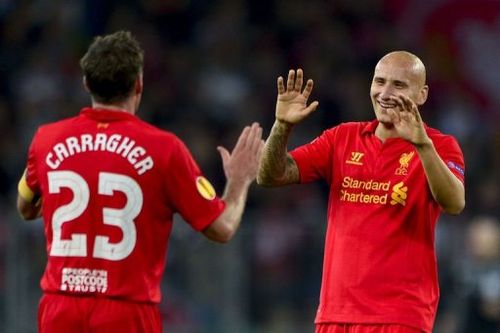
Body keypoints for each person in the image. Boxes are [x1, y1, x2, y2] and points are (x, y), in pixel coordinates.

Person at [16, 30, 264, 333]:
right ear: (138, 85)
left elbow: (25, 209)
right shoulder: (164, 149)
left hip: (60, 310)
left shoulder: (47, 140)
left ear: (86, 83)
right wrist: (239, 181)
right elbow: (223, 227)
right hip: (126, 311)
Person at [257, 51, 465, 333]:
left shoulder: (441, 145)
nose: (385, 92)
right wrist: (281, 127)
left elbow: (454, 203)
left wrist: (423, 146)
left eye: (399, 85)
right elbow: (270, 176)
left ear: (422, 94)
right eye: (379, 81)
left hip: (399, 316)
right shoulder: (341, 138)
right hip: (334, 314)